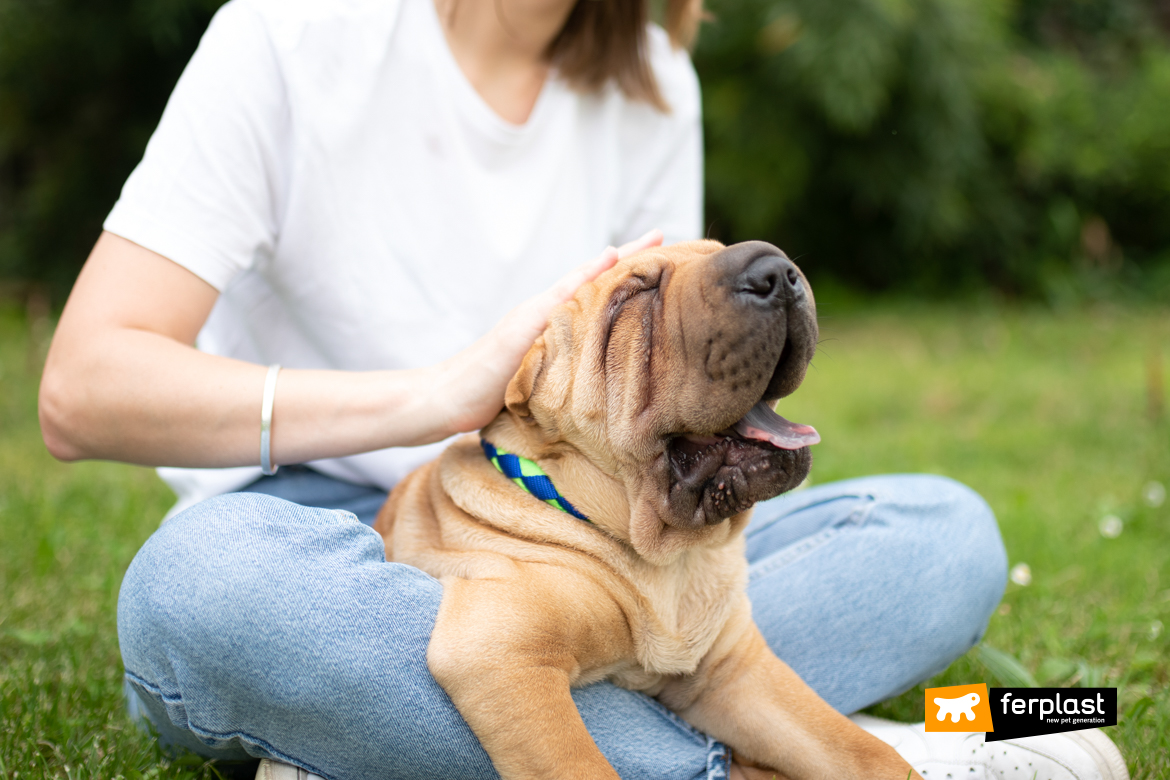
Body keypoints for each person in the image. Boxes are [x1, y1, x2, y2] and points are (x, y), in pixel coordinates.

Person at [38, 0, 1124, 778]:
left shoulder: (653, 78)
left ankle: (379, 746)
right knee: (197, 585)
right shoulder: (287, 35)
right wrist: (441, 398)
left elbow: (678, 418)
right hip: (324, 548)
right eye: (633, 304)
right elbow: (81, 389)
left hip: (616, 539)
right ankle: (907, 749)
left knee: (948, 532)